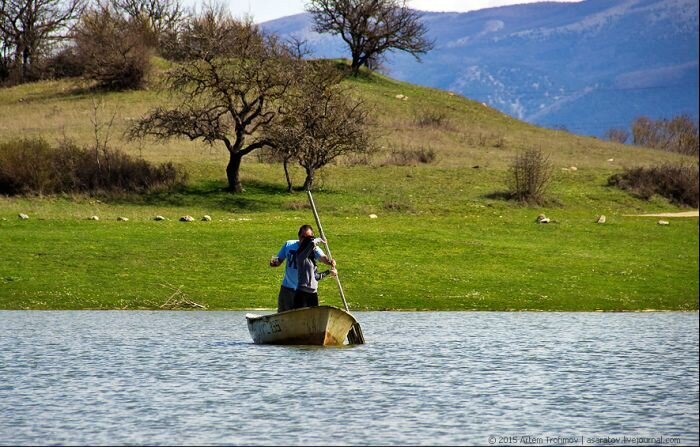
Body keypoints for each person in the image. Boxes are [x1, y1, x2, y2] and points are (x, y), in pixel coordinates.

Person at [270, 224, 336, 312]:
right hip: (288, 288)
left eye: (308, 237)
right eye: (302, 237)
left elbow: (323, 257)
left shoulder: (314, 249)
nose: (305, 240)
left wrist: (330, 261)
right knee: (283, 314)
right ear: (299, 236)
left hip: (304, 291)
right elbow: (279, 259)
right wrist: (275, 262)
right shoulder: (289, 245)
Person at [292, 233, 337, 309]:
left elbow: (316, 277)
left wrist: (329, 272)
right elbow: (312, 244)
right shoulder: (301, 257)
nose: (315, 248)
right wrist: (320, 239)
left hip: (313, 294)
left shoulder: (312, 261)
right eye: (313, 247)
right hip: (302, 293)